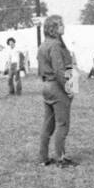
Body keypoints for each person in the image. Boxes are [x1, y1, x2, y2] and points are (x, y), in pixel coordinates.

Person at [37, 14, 77, 167]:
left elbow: (41, 68)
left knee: (48, 124)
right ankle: (61, 158)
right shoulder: (55, 45)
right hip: (57, 86)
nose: (63, 26)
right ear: (54, 29)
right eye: (61, 25)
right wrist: (70, 88)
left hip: (47, 85)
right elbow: (60, 70)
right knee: (62, 124)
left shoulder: (43, 45)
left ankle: (43, 158)